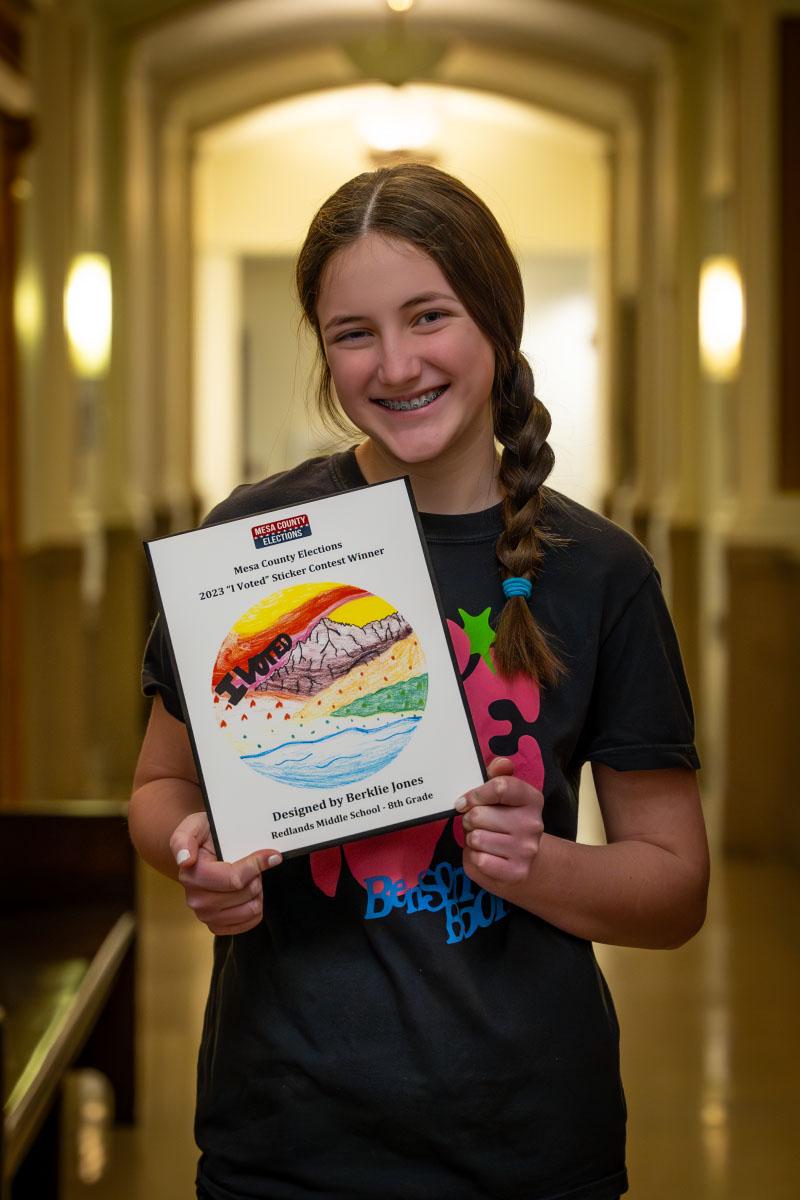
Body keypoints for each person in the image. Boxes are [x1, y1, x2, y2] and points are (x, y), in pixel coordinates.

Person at [130, 163, 709, 1200]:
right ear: (322, 348)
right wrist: (192, 852)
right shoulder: (251, 546)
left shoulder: (599, 572)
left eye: (427, 316)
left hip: (525, 1141)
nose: (394, 364)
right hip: (281, 1132)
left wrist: (538, 866)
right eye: (352, 332)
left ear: (492, 317)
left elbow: (672, 887)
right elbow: (158, 788)